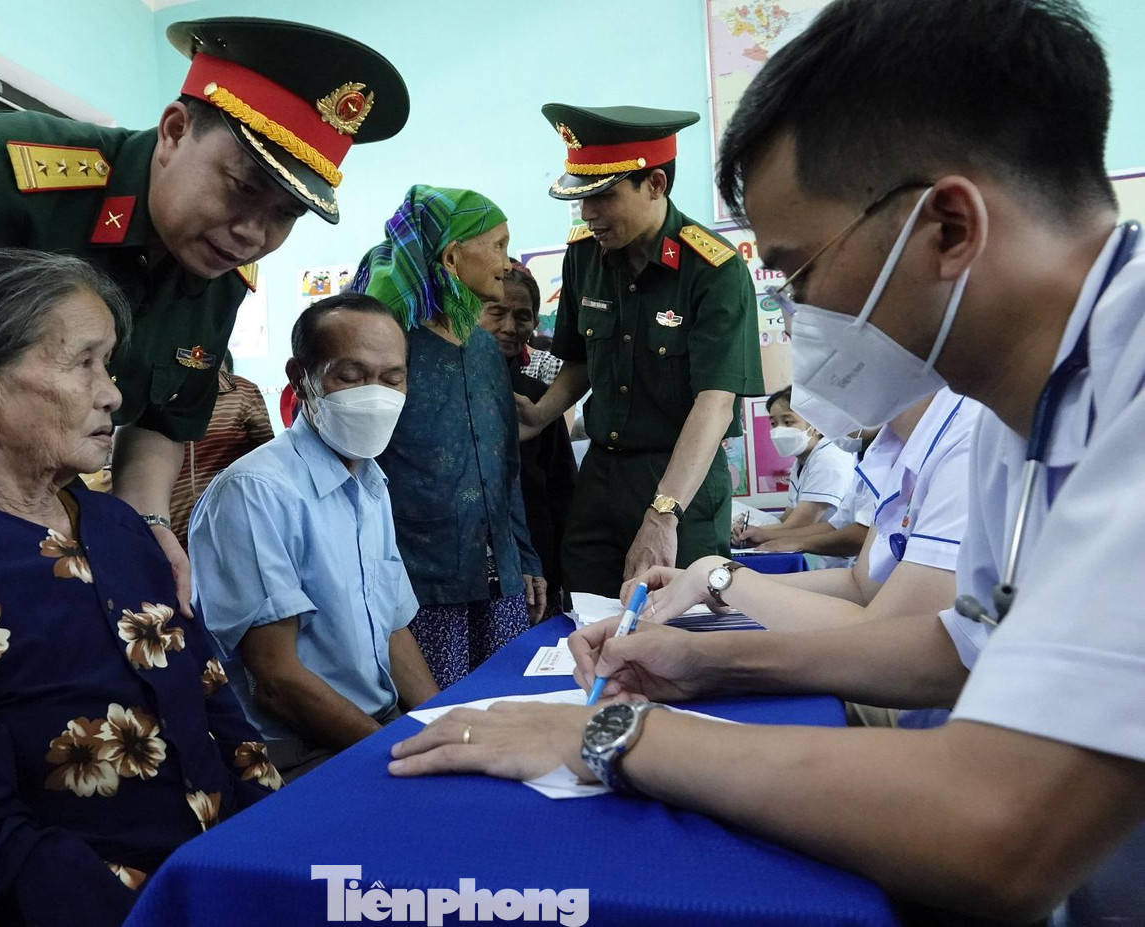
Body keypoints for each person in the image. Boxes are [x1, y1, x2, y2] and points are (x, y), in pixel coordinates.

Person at [386, 1, 1145, 921]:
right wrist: (712, 667)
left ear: (948, 227)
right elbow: (958, 648)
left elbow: (1002, 823)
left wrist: (612, 731)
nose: (797, 314)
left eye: (799, 271)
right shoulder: (1016, 413)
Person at [0, 17, 410, 727]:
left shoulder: (216, 266)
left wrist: (142, 523)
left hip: (28, 535)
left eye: (285, 216)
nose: (254, 231)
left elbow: (164, 417)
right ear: (173, 132)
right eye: (241, 187)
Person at [0, 249, 279, 927]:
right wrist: (174, 906)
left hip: (216, 882)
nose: (112, 393)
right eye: (85, 363)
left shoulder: (122, 528)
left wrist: (276, 849)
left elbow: (219, 708)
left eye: (108, 366)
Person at [516, 105, 765, 597]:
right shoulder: (585, 256)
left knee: (680, 629)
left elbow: (715, 404)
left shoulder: (712, 270)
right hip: (600, 477)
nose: (588, 214)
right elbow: (581, 360)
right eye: (582, 199)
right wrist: (540, 413)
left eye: (603, 197)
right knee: (583, 620)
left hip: (678, 483)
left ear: (654, 184)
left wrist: (663, 515)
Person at [191, 294, 440, 780]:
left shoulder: (370, 483)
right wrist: (397, 751)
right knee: (344, 861)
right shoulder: (256, 493)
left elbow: (391, 627)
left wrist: (440, 723)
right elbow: (277, 682)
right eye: (350, 376)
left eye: (392, 379)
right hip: (295, 751)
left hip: (371, 728)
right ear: (299, 376)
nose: (375, 395)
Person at [631, 386, 978, 728]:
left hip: (942, 726)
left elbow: (897, 649)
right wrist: (714, 580)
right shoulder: (901, 445)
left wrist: (721, 579)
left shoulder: (965, 440)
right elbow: (861, 583)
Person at [351, 185, 545, 687]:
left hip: (498, 580)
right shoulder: (392, 349)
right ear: (453, 256)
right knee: (441, 714)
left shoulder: (485, 349)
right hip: (419, 585)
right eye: (498, 246)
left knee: (509, 704)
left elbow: (506, 465)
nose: (507, 262)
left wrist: (521, 556)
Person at [478, 262, 578, 619]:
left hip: (540, 572)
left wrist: (566, 581)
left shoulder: (539, 400)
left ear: (535, 324)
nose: (509, 327)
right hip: (472, 576)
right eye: (496, 312)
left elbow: (562, 490)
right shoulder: (448, 396)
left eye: (522, 316)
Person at [169, 351, 274, 551]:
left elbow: (268, 460)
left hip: (233, 535)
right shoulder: (153, 393)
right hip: (171, 535)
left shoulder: (242, 392)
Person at [734, 386, 854, 543]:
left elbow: (799, 525)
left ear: (816, 425)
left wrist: (750, 533)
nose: (778, 430)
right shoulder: (802, 462)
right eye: (773, 423)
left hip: (836, 558)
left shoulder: (829, 460)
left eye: (788, 422)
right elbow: (787, 520)